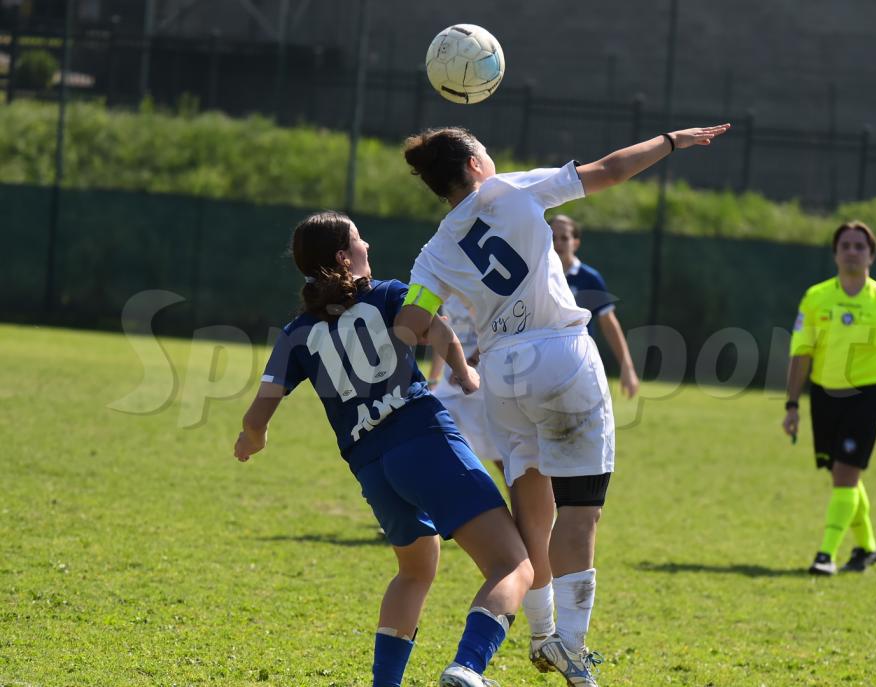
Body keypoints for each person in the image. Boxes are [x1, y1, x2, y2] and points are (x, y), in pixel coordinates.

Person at [398, 123, 730, 685]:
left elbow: (410, 326)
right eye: (486, 151)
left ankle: (543, 633)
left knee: (534, 511)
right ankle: (570, 649)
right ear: (475, 165)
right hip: (560, 357)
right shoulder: (510, 188)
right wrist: (671, 141)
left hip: (501, 373)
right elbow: (611, 171)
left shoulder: (434, 250)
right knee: (580, 513)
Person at [233, 211, 533, 687]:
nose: (367, 245)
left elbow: (255, 419)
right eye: (358, 239)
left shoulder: (295, 334)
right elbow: (438, 329)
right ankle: (469, 667)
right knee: (513, 564)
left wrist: (253, 440)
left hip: (372, 466)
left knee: (415, 570)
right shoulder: (389, 293)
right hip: (423, 439)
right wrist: (465, 373)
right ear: (342, 256)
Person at [782, 221, 876, 576]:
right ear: (835, 254)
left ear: (872, 255)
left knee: (845, 473)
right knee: (843, 474)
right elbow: (801, 354)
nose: (852, 252)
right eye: (845, 245)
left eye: (860, 246)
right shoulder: (815, 298)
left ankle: (825, 555)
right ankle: (867, 548)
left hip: (865, 397)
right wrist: (792, 406)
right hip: (824, 395)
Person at [550, 214, 640, 398]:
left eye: (564, 238)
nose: (558, 243)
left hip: (578, 365)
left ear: (575, 243)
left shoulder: (589, 278)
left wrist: (627, 367)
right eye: (552, 237)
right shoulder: (536, 275)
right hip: (541, 365)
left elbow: (608, 323)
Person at [425, 294, 506, 491]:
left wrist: (468, 365)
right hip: (449, 387)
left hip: (481, 387)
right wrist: (433, 379)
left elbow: (494, 330)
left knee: (502, 460)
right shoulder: (446, 292)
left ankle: (525, 507)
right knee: (431, 433)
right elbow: (442, 338)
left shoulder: (479, 289)